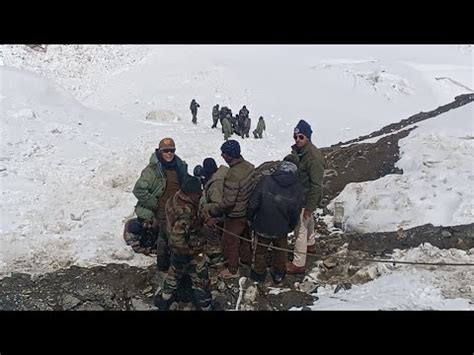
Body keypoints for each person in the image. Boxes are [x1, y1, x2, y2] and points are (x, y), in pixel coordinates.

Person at [154, 176, 212, 311]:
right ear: (191, 193)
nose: (201, 194)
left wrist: (205, 218)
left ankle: (164, 299)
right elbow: (177, 239)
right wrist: (190, 252)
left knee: (174, 273)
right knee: (201, 280)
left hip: (176, 251)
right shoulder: (186, 213)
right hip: (189, 250)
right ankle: (206, 306)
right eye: (198, 192)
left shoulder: (175, 198)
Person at [132, 137, 189, 272]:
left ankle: (178, 264)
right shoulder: (153, 170)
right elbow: (139, 190)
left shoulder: (179, 166)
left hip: (177, 206)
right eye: (166, 151)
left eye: (172, 151)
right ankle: (163, 266)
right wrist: (155, 203)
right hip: (161, 209)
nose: (169, 153)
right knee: (165, 236)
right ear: (160, 152)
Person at [246, 161, 303, 284]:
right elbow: (295, 210)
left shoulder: (266, 180)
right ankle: (278, 273)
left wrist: (250, 217)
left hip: (262, 224)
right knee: (281, 251)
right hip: (282, 227)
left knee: (260, 251)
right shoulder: (296, 187)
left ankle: (258, 274)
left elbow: (253, 202)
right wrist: (291, 225)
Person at [206, 140, 255, 278]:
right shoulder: (249, 166)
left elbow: (229, 201)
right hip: (248, 210)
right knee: (245, 237)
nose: (222, 155)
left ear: (230, 155)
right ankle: (246, 261)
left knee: (230, 241)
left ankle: (233, 269)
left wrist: (214, 210)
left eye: (224, 153)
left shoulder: (232, 174)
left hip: (235, 213)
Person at [284, 120, 325, 274]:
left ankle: (298, 263)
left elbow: (316, 185)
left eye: (301, 137)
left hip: (305, 197)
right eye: (295, 137)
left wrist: (309, 206)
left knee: (300, 228)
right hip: (300, 194)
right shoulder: (300, 152)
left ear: (307, 137)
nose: (297, 140)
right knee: (308, 221)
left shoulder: (313, 158)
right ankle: (310, 244)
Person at [198, 158, 229, 265]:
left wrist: (205, 207)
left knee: (208, 225)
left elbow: (218, 205)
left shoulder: (215, 185)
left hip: (226, 214)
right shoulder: (223, 172)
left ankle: (216, 250)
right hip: (233, 209)